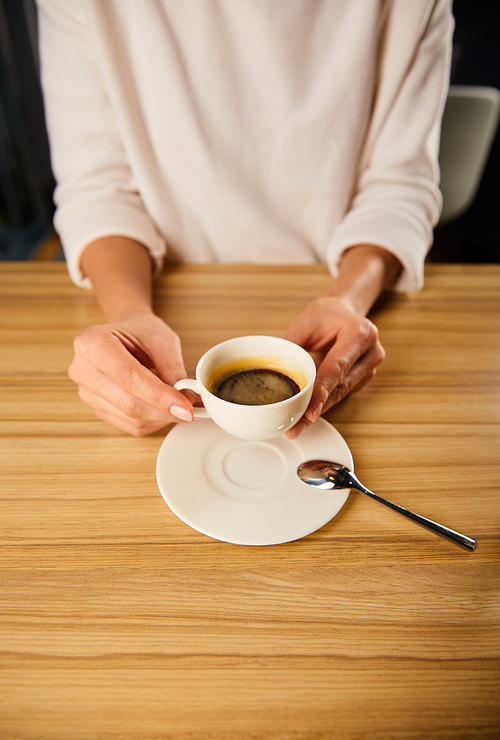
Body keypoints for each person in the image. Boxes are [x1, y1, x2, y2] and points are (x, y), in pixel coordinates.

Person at [36, 0, 454, 437]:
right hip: (164, 286)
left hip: (335, 288)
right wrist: (127, 313)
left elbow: (399, 185)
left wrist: (347, 300)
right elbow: (98, 188)